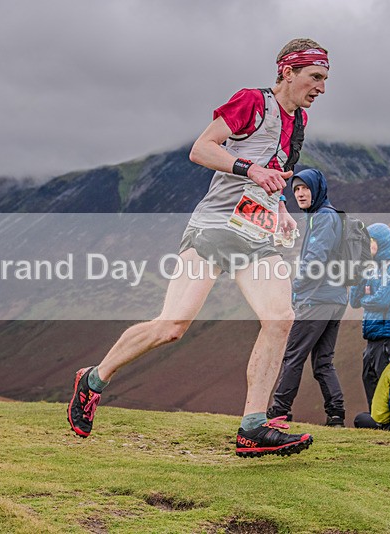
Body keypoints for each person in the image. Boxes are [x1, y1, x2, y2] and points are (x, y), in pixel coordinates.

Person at [67, 38, 330, 458]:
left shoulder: (297, 122)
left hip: (255, 231)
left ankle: (253, 427)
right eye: (315, 77)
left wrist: (279, 208)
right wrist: (250, 169)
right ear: (287, 71)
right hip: (213, 226)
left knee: (280, 318)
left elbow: (278, 174)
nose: (321, 87)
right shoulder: (252, 102)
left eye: (325, 80)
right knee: (172, 327)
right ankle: (93, 380)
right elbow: (201, 149)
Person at [266, 168, 348, 427]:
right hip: (335, 299)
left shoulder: (323, 217)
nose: (300, 194)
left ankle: (279, 410)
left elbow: (316, 258)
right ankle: (336, 415)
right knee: (323, 361)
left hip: (318, 299)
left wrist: (296, 288)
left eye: (305, 188)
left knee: (294, 355)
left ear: (318, 189)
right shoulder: (329, 216)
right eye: (296, 189)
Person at [349, 223, 390, 413]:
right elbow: (354, 301)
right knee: (370, 382)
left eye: (370, 242)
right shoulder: (370, 268)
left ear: (382, 242)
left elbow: (382, 300)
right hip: (371, 337)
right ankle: (378, 425)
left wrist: (368, 297)